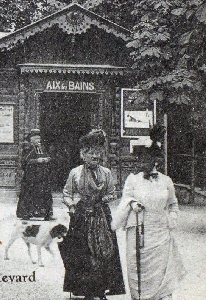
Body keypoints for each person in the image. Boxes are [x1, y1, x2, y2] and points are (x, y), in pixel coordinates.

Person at [112, 140, 186, 300]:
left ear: (155, 161)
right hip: (139, 230)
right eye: (139, 159)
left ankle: (163, 295)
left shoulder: (166, 181)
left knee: (161, 270)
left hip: (161, 233)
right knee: (138, 269)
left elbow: (173, 205)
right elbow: (126, 198)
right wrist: (132, 204)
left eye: (145, 159)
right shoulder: (132, 179)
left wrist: (171, 220)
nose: (141, 163)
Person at [59, 129, 126, 300]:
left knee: (104, 251)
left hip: (101, 214)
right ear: (83, 155)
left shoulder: (106, 173)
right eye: (91, 153)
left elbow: (114, 193)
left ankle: (101, 290)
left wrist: (104, 198)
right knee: (83, 253)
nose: (95, 156)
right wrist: (72, 205)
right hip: (82, 215)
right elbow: (66, 193)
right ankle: (86, 290)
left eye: (98, 153)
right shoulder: (75, 173)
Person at [16, 128, 54, 220]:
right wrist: (37, 160)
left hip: (42, 175)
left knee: (44, 193)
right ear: (31, 139)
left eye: (39, 138)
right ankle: (27, 213)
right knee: (29, 194)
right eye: (36, 139)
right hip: (31, 176)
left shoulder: (42, 148)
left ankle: (44, 213)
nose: (38, 140)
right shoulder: (28, 148)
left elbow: (46, 156)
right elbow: (24, 161)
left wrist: (47, 159)